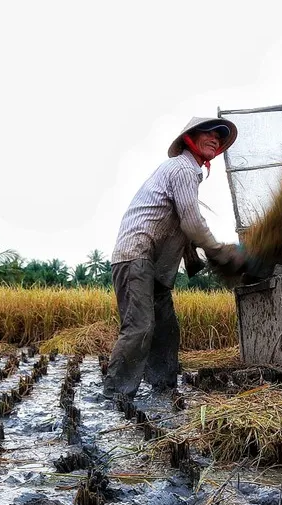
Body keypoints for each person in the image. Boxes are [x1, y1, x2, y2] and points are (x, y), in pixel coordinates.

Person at [103, 117, 246, 398]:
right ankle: (115, 394)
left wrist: (205, 254)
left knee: (166, 329)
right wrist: (220, 251)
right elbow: (192, 222)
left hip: (154, 265)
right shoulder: (182, 168)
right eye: (208, 133)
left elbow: (184, 225)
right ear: (190, 138)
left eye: (219, 136)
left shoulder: (189, 173)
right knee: (140, 327)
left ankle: (163, 388)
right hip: (136, 255)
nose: (215, 139)